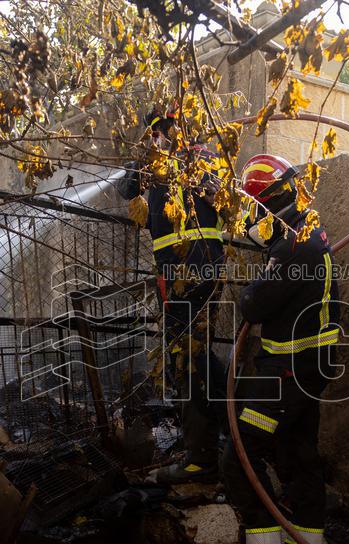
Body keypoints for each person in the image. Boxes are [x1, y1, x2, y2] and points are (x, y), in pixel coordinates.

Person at [221, 153, 341, 544]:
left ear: (266, 206)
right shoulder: (310, 234)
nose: (252, 220)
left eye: (253, 211)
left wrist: (249, 289)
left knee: (239, 458)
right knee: (297, 457)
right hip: (307, 372)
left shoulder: (293, 245)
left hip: (286, 377)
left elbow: (255, 304)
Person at [115, 107, 227, 484]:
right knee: (198, 355)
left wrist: (169, 162)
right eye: (154, 134)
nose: (156, 139)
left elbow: (220, 197)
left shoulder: (200, 158)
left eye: (158, 132)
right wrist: (144, 161)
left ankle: (200, 459)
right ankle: (227, 430)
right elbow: (126, 189)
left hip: (188, 274)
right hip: (190, 273)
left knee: (185, 359)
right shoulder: (158, 164)